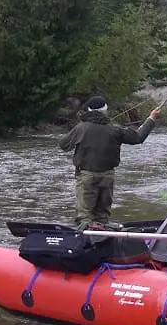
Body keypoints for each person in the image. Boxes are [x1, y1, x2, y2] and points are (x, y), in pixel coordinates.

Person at [58, 95, 160, 228]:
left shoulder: (81, 128)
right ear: (105, 110)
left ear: (89, 111)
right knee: (102, 217)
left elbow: (63, 145)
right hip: (107, 177)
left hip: (86, 177)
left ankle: (84, 242)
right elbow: (138, 137)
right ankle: (103, 241)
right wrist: (151, 119)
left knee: (84, 217)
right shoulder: (115, 129)